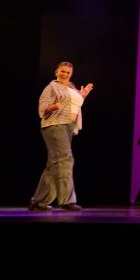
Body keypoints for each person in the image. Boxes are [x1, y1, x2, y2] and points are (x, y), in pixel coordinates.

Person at [29, 61, 93, 213]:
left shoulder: (71, 87)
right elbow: (42, 109)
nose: (65, 74)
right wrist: (54, 107)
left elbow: (73, 106)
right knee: (65, 160)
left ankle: (38, 202)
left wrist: (82, 96)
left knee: (55, 164)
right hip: (54, 125)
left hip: (68, 126)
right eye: (62, 71)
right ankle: (67, 201)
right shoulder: (52, 87)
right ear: (57, 71)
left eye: (68, 72)